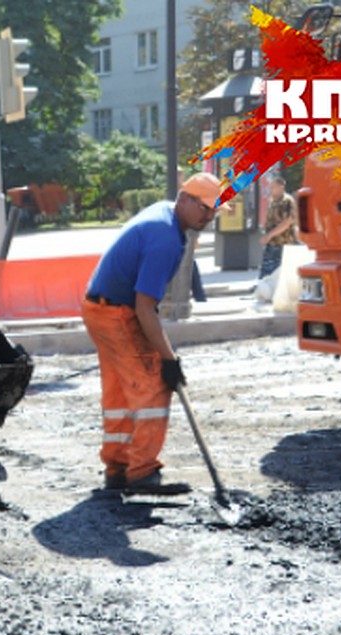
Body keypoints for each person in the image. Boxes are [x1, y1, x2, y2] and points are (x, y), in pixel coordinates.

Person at [82, 172, 220, 495]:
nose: (209, 216)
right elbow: (145, 308)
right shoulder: (165, 239)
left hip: (98, 308)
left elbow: (145, 307)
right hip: (116, 312)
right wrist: (169, 360)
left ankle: (117, 467)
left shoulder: (163, 216)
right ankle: (142, 472)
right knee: (154, 385)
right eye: (204, 208)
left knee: (119, 391)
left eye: (213, 211)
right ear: (185, 199)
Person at [257, 174, 297, 283]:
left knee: (281, 273)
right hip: (271, 243)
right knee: (266, 271)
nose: (270, 190)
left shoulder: (287, 201)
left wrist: (269, 235)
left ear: (281, 187)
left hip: (284, 243)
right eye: (270, 187)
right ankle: (262, 288)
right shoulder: (272, 201)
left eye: (273, 187)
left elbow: (287, 222)